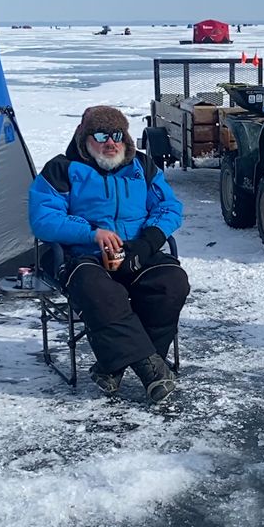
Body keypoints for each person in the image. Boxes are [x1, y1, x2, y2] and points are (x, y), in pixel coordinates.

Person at [29, 106, 188, 404]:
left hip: (135, 251)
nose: (110, 143)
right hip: (83, 256)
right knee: (102, 292)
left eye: (117, 135)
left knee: (171, 283)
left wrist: (148, 241)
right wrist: (91, 232)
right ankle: (151, 369)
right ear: (84, 139)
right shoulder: (61, 169)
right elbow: (43, 219)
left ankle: (109, 365)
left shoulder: (142, 166)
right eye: (101, 135)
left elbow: (169, 208)